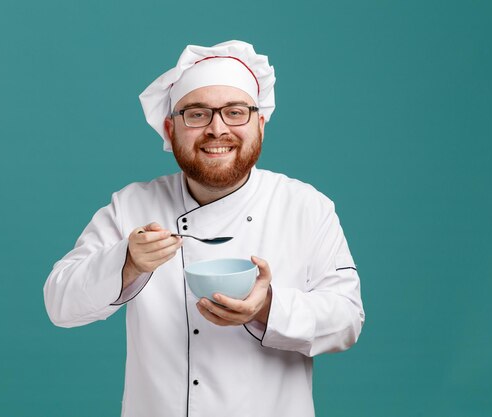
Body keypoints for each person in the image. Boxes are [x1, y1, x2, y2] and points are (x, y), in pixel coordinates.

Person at [44, 40, 365, 417]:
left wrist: (267, 307)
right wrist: (127, 261)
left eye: (235, 112)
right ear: (170, 128)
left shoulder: (305, 206)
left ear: (260, 124)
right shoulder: (132, 206)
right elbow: (59, 304)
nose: (217, 129)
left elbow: (347, 319)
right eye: (197, 114)